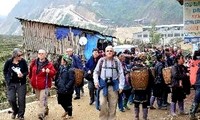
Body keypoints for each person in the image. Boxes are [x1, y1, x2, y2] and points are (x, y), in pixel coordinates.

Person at [93, 46, 125, 120]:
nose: (109, 52)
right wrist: (96, 81)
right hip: (103, 85)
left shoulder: (117, 61)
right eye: (107, 51)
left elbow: (121, 73)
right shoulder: (101, 61)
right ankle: (103, 118)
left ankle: (112, 118)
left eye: (111, 51)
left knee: (113, 105)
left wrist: (121, 86)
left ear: (113, 52)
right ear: (105, 52)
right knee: (102, 103)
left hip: (114, 85)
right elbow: (96, 72)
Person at [29, 49, 56, 119]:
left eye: (42, 53)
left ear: (45, 55)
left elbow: (53, 73)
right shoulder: (34, 62)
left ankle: (41, 114)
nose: (40, 55)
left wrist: (49, 71)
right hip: (36, 85)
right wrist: (31, 79)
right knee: (40, 99)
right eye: (39, 53)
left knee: (42, 99)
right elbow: (31, 71)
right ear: (38, 54)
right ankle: (46, 109)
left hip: (45, 85)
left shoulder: (49, 64)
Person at [3, 48, 28, 120]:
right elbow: (5, 71)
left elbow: (26, 71)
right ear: (15, 55)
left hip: (21, 83)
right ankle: (15, 111)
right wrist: (7, 80)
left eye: (21, 55)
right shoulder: (9, 62)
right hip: (11, 84)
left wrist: (22, 75)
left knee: (21, 100)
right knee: (11, 99)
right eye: (19, 55)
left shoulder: (23, 62)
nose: (21, 57)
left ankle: (21, 115)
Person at [55, 54, 75, 119]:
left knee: (68, 102)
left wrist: (67, 87)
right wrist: (57, 83)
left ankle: (70, 114)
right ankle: (66, 110)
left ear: (66, 61)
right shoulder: (61, 67)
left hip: (67, 89)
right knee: (60, 101)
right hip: (60, 87)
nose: (61, 61)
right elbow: (58, 76)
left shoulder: (70, 69)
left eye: (63, 60)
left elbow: (72, 80)